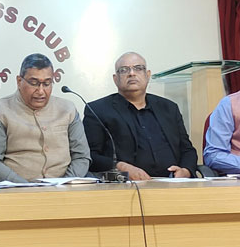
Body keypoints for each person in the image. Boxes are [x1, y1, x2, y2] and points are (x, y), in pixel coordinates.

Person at [84, 52, 197, 180]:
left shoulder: (169, 108)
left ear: (147, 75)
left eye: (138, 68)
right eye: (124, 70)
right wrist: (120, 167)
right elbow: (90, 156)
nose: (132, 73)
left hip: (173, 182)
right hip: (127, 184)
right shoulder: (97, 110)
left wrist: (185, 171)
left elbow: (187, 150)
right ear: (115, 79)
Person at [0, 53, 91, 182]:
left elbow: (82, 157)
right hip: (15, 189)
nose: (41, 91)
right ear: (19, 81)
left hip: (65, 189)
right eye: (34, 83)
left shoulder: (67, 109)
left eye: (47, 84)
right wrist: (24, 187)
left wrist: (65, 184)